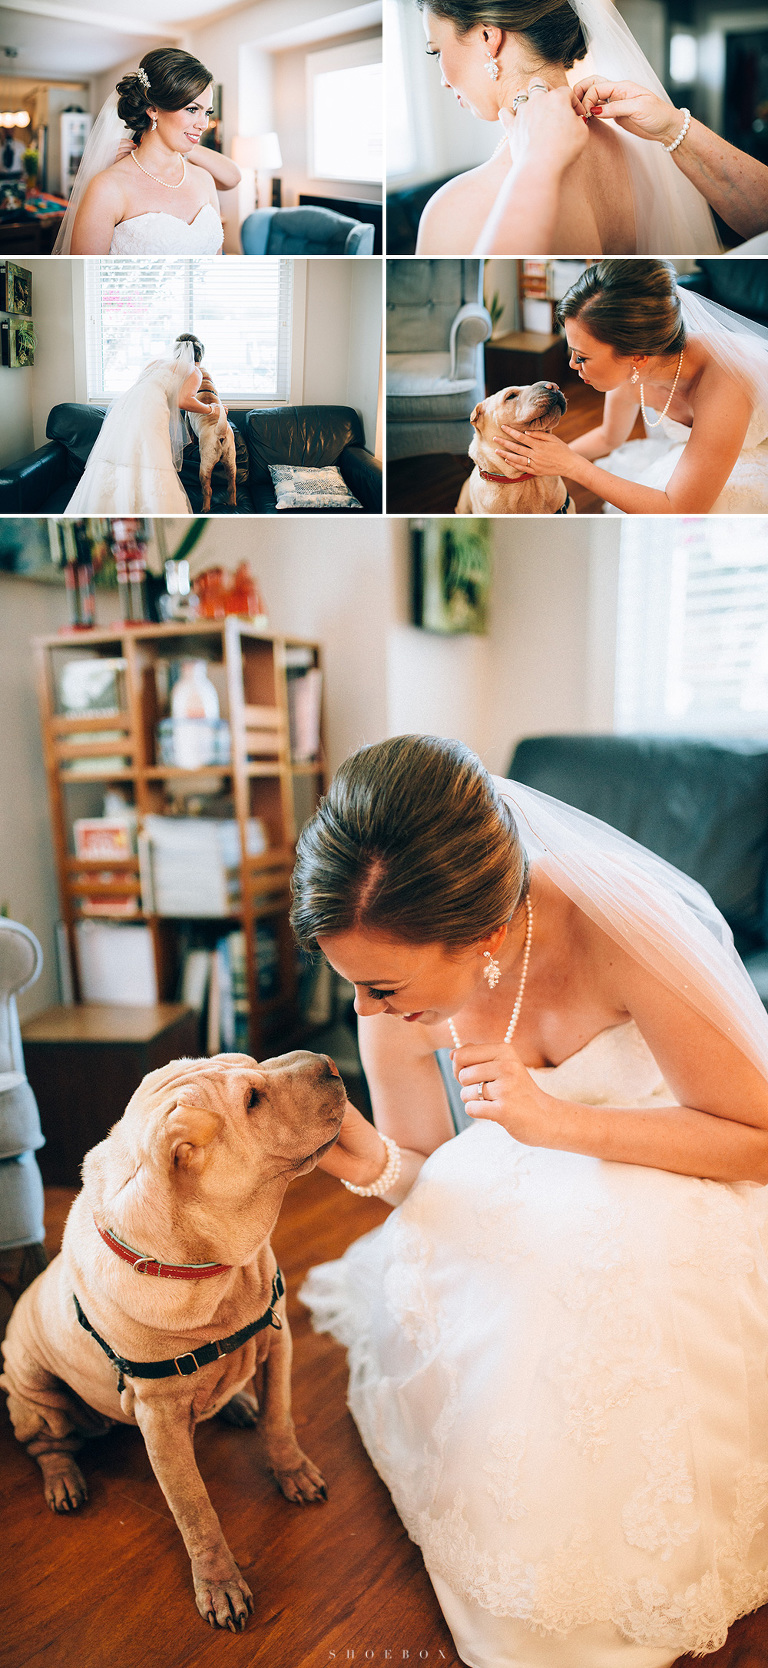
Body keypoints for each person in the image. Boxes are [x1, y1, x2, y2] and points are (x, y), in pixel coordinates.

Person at [294, 733, 768, 1668]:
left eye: (384, 988)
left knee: (590, 1302)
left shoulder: (616, 927)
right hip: (524, 1183)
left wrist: (557, 1125)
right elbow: (429, 1169)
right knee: (486, 1277)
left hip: (687, 1168)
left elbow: (759, 1138)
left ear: (481, 934)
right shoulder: (382, 974)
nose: (370, 1011)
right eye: (353, 985)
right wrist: (369, 1166)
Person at [412, 0, 721, 256]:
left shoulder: (450, 213)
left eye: (436, 51)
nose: (442, 79)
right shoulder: (635, 152)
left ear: (488, 36)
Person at [492, 260, 768, 514]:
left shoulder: (726, 383)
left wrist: (571, 465)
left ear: (637, 356)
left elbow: (679, 509)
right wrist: (540, 459)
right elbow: (609, 437)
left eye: (583, 356)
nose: (573, 364)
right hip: (706, 458)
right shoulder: (632, 374)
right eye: (572, 351)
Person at [54, 48, 240, 255]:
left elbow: (216, 264)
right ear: (153, 109)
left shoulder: (204, 179)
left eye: (208, 112)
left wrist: (182, 145)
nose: (204, 124)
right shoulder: (108, 187)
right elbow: (86, 280)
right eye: (192, 109)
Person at [65, 335, 221, 515]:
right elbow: (183, 400)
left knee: (121, 453)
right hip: (152, 407)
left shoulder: (155, 363)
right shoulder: (193, 370)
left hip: (126, 406)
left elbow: (144, 385)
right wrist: (211, 409)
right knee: (151, 454)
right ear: (199, 356)